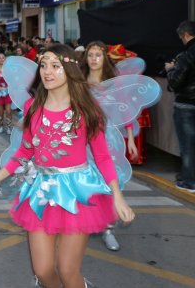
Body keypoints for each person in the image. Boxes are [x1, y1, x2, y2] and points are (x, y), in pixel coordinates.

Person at [0, 44, 134, 288]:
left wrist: (117, 196)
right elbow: (25, 151)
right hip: (41, 192)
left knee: (67, 270)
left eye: (55, 66)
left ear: (69, 69)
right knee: (42, 271)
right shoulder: (33, 108)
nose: (47, 72)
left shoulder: (86, 109)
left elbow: (103, 157)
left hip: (78, 193)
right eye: (43, 65)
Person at [80, 41, 138, 252]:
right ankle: (86, 221)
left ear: (105, 58)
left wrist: (130, 138)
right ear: (85, 58)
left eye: (98, 55)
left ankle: (108, 229)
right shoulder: (79, 83)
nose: (94, 59)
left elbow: (126, 111)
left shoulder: (114, 83)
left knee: (111, 182)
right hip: (84, 141)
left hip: (109, 139)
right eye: (90, 55)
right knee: (86, 182)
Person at [165, 20, 195, 193]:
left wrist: (171, 69)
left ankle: (191, 182)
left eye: (181, 37)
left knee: (188, 145)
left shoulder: (187, 55)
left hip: (186, 105)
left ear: (185, 35)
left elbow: (175, 83)